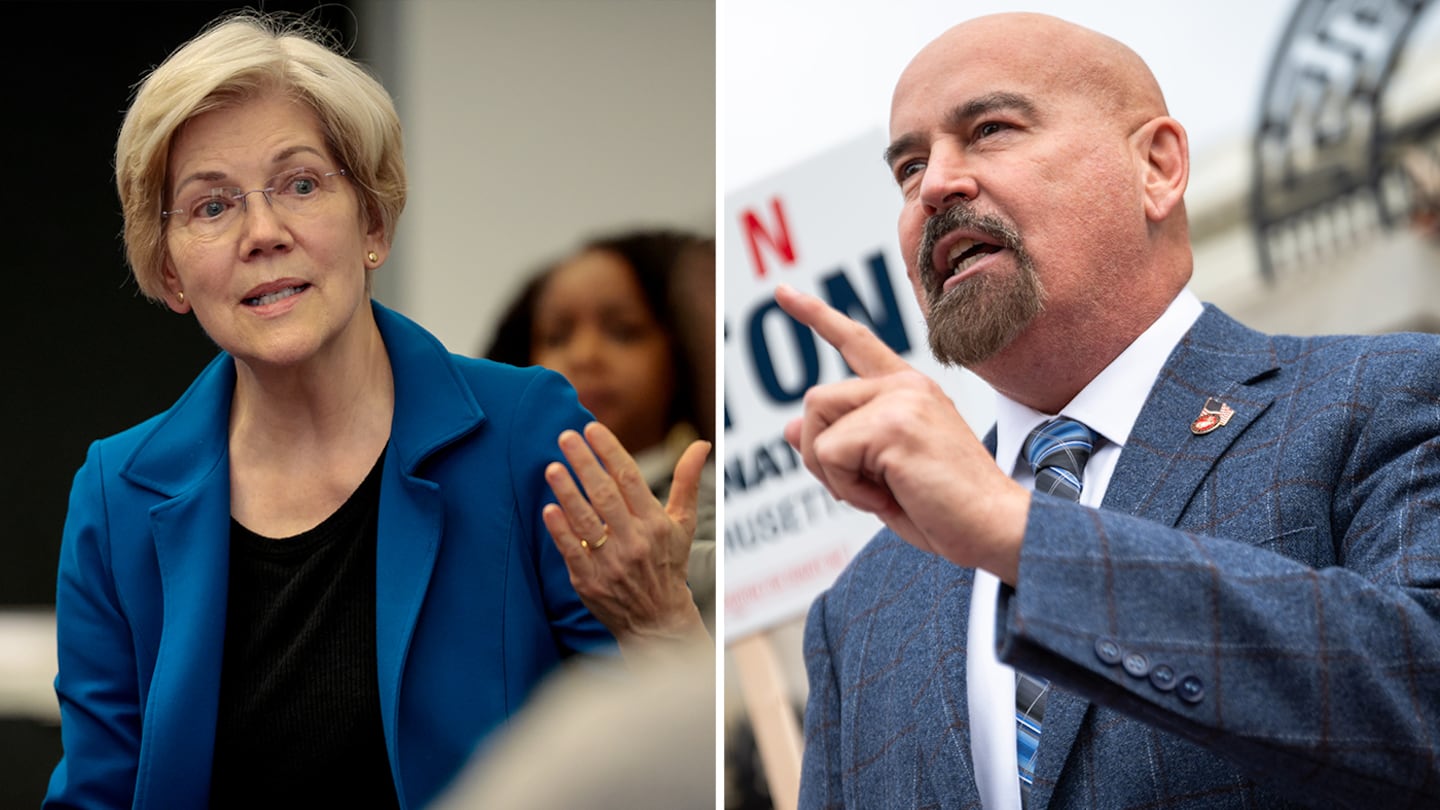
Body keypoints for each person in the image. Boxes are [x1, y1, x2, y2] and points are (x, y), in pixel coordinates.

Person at [45, 12, 708, 809]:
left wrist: (665, 626)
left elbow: (659, 765)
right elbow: (96, 794)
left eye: (300, 184)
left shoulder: (524, 432)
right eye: (211, 206)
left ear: (373, 221)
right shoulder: (117, 494)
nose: (263, 233)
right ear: (170, 272)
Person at [783, 12, 1440, 809]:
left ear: (1157, 167)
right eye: (908, 167)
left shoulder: (1386, 398)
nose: (935, 186)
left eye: (990, 129)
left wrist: (1020, 533)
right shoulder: (857, 613)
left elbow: (1420, 694)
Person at [485, 231, 717, 628]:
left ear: (679, 354)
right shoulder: (496, 517)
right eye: (557, 337)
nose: (585, 355)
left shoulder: (716, 500)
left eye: (623, 331)